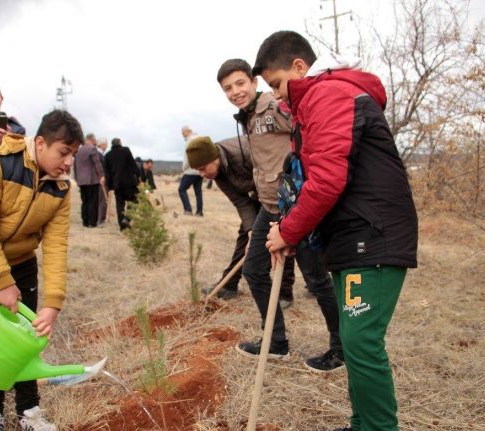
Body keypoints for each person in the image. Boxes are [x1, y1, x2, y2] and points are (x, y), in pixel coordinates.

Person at [256, 31, 418, 431]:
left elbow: (327, 181)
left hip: (373, 234)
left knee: (361, 341)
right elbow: (316, 178)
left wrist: (289, 231)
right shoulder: (313, 104)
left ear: (299, 66)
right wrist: (294, 228)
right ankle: (362, 423)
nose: (276, 97)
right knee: (354, 338)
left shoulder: (329, 94)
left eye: (276, 84)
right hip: (352, 236)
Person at [0, 109, 83, 431]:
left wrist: (53, 301)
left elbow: (55, 246)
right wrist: (2, 282)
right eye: (63, 152)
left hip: (22, 261)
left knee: (26, 335)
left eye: (73, 155)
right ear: (40, 143)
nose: (68, 162)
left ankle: (29, 411)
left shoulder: (61, 188)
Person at [216, 58, 342, 368]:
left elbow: (305, 126)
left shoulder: (274, 105)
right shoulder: (247, 117)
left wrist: (301, 176)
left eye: (240, 83)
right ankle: (277, 341)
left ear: (254, 82)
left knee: (316, 278)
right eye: (227, 88)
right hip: (269, 206)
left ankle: (341, 347)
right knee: (254, 270)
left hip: (298, 207)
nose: (235, 91)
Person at [186, 136, 296, 305]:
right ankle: (229, 285)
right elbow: (241, 201)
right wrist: (252, 229)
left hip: (277, 189)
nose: (202, 175)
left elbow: (272, 170)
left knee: (281, 236)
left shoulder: (244, 151)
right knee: (246, 234)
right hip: (257, 194)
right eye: (198, 171)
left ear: (213, 158)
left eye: (202, 168)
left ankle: (284, 292)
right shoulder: (217, 172)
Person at [104, 137, 140, 230]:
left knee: (120, 205)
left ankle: (122, 226)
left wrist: (110, 186)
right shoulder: (126, 150)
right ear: (120, 143)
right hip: (129, 183)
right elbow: (133, 165)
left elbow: (107, 173)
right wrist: (138, 175)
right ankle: (127, 219)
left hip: (117, 185)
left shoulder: (107, 155)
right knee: (134, 201)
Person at [74, 133, 105, 228]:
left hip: (81, 180)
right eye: (95, 139)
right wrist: (101, 176)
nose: (96, 141)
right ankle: (92, 222)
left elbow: (75, 167)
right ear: (91, 139)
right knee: (93, 201)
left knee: (85, 201)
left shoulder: (78, 151)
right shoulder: (92, 149)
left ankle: (85, 221)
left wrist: (77, 178)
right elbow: (97, 164)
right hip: (92, 180)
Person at [179, 125, 204, 216]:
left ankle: (188, 209)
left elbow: (188, 157)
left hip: (190, 170)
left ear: (186, 131)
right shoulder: (200, 139)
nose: (183, 136)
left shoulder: (190, 140)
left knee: (181, 189)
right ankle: (199, 212)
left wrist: (183, 169)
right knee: (198, 191)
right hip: (200, 170)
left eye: (183, 133)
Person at [96, 138, 109, 225]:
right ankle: (100, 220)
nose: (107, 146)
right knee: (102, 200)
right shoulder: (98, 154)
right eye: (106, 144)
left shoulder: (101, 154)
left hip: (99, 180)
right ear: (102, 144)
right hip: (101, 180)